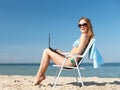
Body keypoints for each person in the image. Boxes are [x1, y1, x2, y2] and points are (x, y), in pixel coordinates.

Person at [33, 17, 94, 85]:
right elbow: (75, 52)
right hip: (70, 60)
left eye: (84, 24)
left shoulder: (84, 36)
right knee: (48, 51)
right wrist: (61, 53)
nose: (82, 26)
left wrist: (66, 56)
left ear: (88, 25)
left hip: (70, 62)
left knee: (46, 51)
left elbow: (79, 52)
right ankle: (40, 75)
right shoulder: (87, 36)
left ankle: (39, 76)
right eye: (79, 25)